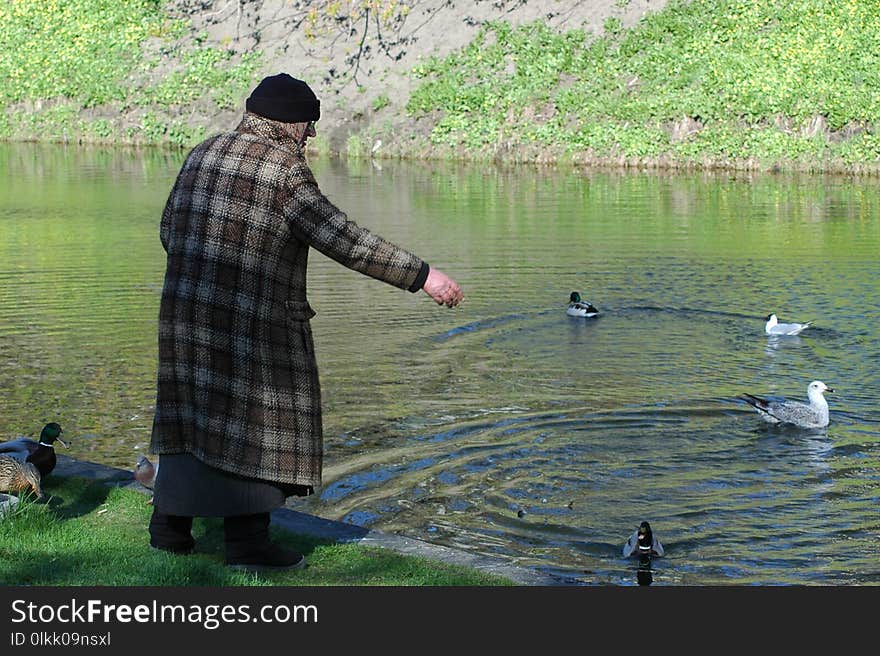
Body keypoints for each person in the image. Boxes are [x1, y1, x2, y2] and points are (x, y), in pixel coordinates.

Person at [148, 73, 463, 572]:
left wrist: (202, 282)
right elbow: (342, 237)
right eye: (310, 125)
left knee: (190, 420)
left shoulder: (203, 153)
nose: (312, 136)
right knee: (256, 422)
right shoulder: (283, 169)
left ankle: (169, 532)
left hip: (185, 319)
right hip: (253, 326)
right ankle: (249, 547)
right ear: (290, 123)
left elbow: (169, 229)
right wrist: (422, 275)